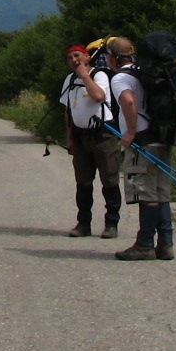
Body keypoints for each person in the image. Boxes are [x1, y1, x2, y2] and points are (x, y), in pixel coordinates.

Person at [106, 37, 174, 261]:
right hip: (162, 138)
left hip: (142, 142)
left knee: (146, 194)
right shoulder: (146, 71)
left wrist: (130, 132)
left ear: (113, 58)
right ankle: (165, 244)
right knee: (161, 193)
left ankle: (144, 245)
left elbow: (128, 101)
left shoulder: (121, 78)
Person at [59, 41, 121, 238]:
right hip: (80, 136)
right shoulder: (69, 80)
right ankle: (83, 223)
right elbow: (68, 111)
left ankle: (111, 224)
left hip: (102, 135)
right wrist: (70, 138)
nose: (74, 60)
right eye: (70, 58)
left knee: (109, 179)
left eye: (77, 56)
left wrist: (85, 76)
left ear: (87, 56)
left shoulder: (99, 75)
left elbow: (99, 96)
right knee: (83, 181)